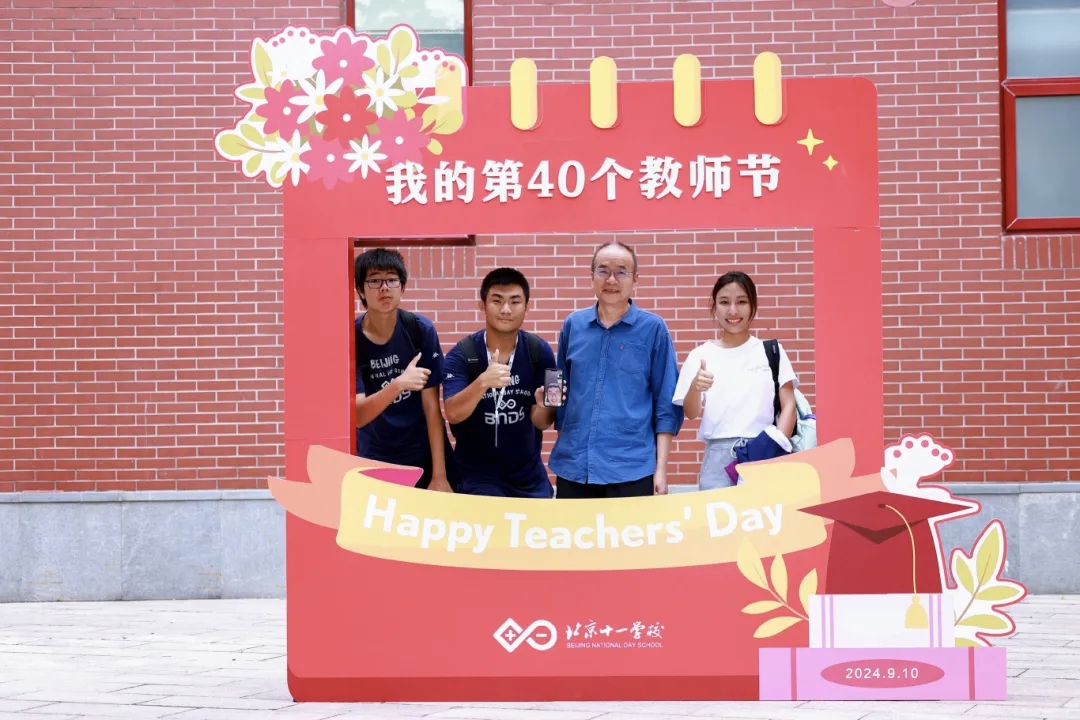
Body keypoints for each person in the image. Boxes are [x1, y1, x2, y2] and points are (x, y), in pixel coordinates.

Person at [547, 241, 684, 498]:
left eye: (621, 272)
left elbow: (666, 403)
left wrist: (661, 470)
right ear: (592, 277)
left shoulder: (653, 329)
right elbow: (560, 396)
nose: (611, 279)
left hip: (632, 469)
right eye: (603, 271)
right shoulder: (573, 325)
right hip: (575, 467)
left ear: (635, 279)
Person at [672, 271, 799, 490]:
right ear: (714, 307)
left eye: (741, 302)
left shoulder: (772, 351)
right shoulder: (700, 355)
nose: (733, 310)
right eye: (724, 302)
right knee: (717, 513)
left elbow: (789, 406)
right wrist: (695, 387)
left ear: (753, 306)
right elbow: (691, 413)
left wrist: (774, 445)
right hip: (718, 459)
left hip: (765, 451)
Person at [441, 268, 558, 498]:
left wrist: (544, 406)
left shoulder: (541, 351)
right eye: (497, 301)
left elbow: (543, 422)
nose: (506, 309)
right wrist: (483, 382)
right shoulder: (461, 354)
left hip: (529, 481)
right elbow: (453, 414)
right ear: (482, 305)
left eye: (515, 302)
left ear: (527, 307)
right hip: (476, 480)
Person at [353, 248, 454, 492]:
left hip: (422, 455)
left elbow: (433, 409)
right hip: (374, 459)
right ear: (360, 290)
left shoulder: (419, 330)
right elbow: (359, 415)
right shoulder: (351, 338)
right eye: (374, 280)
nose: (384, 288)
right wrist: (398, 384)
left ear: (403, 287)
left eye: (392, 279)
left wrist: (439, 476)